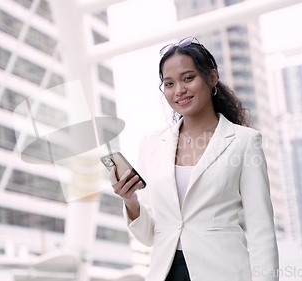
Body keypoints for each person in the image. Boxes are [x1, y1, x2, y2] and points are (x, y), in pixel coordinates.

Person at [110, 36, 278, 281]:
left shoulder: (244, 142)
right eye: (169, 83)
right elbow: (149, 236)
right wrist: (130, 200)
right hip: (165, 272)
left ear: (212, 78)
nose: (179, 90)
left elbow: (261, 229)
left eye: (188, 78)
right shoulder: (153, 144)